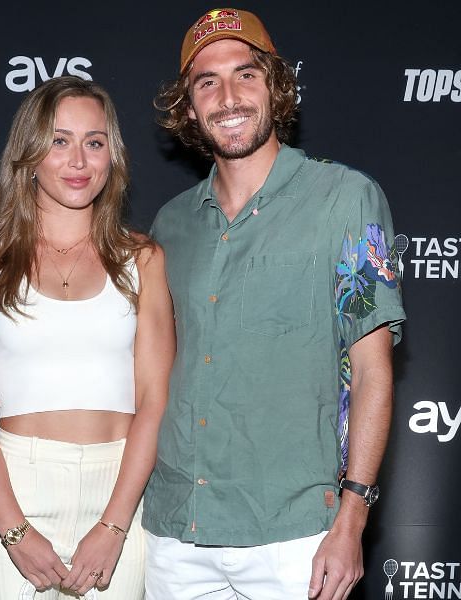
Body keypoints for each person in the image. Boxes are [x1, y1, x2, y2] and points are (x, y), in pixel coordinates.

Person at [143, 8, 406, 599]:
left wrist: (353, 517)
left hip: (297, 539)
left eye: (246, 75)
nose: (227, 96)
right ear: (188, 106)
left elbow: (371, 372)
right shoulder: (170, 224)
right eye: (206, 82)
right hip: (176, 535)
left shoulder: (345, 199)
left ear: (276, 87)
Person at [0, 76, 174, 599]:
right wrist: (15, 531)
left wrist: (115, 525)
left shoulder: (144, 261)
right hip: (16, 492)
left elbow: (155, 402)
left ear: (111, 156)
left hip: (122, 493)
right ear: (28, 152)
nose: (78, 160)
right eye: (59, 140)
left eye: (94, 142)